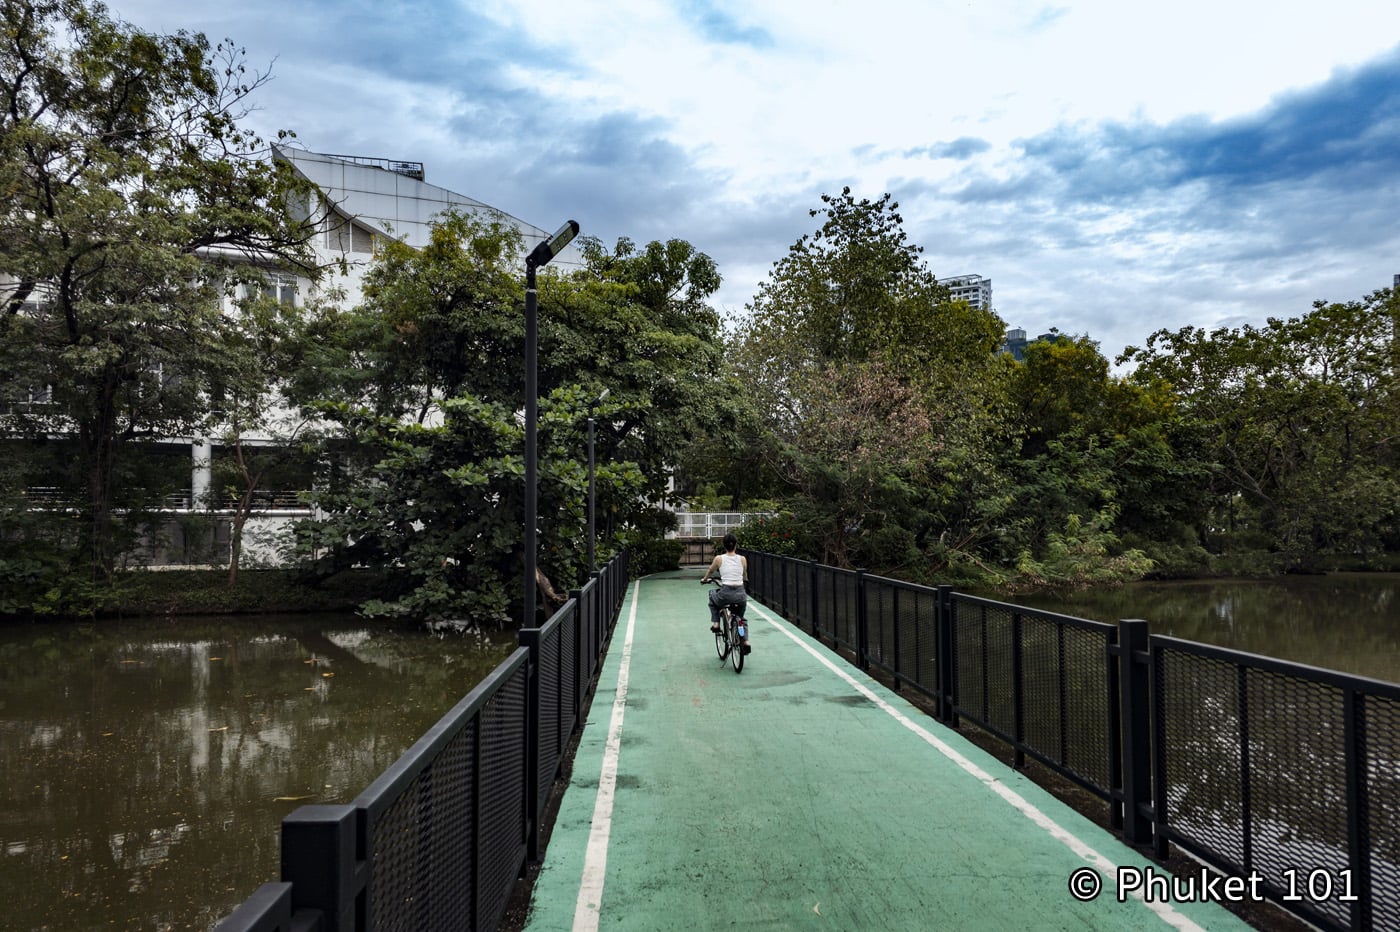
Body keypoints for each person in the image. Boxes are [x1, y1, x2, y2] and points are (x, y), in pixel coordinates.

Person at [700, 532, 750, 653]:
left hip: (725, 593)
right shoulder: (742, 559)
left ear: (724, 545)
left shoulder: (719, 558)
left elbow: (710, 570)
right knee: (741, 618)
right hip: (740, 594)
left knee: (712, 597)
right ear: (736, 545)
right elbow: (744, 575)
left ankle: (716, 623)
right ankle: (746, 642)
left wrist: (704, 579)